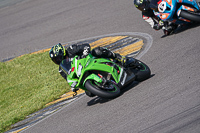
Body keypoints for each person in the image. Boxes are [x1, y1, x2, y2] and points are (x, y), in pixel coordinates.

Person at [49, 43, 128, 92]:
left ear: (61, 52)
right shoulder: (61, 69)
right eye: (55, 60)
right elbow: (68, 78)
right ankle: (104, 85)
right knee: (89, 93)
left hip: (90, 59)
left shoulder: (71, 50)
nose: (57, 60)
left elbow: (85, 46)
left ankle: (117, 57)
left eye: (58, 57)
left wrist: (85, 52)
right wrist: (73, 86)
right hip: (82, 73)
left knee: (97, 51)